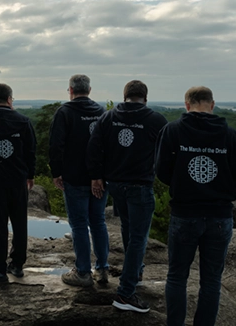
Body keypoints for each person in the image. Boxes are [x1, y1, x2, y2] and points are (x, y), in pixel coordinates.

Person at [155, 86, 236, 326]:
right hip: (219, 215)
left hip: (184, 213)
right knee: (211, 281)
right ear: (212, 104)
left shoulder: (172, 131)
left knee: (177, 277)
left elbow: (162, 172)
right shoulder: (230, 135)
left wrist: (183, 183)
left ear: (187, 105)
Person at [87, 80, 168, 313]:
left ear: (125, 96)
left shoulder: (108, 117)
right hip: (140, 184)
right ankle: (125, 293)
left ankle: (135, 271)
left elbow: (94, 147)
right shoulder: (155, 120)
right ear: (145, 97)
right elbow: (167, 153)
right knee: (138, 237)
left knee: (128, 228)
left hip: (116, 184)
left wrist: (96, 176)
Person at [48, 74, 108, 287]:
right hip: (99, 179)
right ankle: (102, 269)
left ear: (71, 90)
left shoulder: (65, 112)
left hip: (74, 178)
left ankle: (83, 272)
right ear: (89, 90)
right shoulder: (102, 112)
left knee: (80, 225)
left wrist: (56, 172)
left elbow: (56, 145)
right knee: (98, 222)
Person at [0, 83, 36, 282]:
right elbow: (31, 150)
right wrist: (31, 175)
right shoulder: (23, 121)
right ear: (10, 99)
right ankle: (17, 265)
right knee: (19, 223)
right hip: (17, 179)